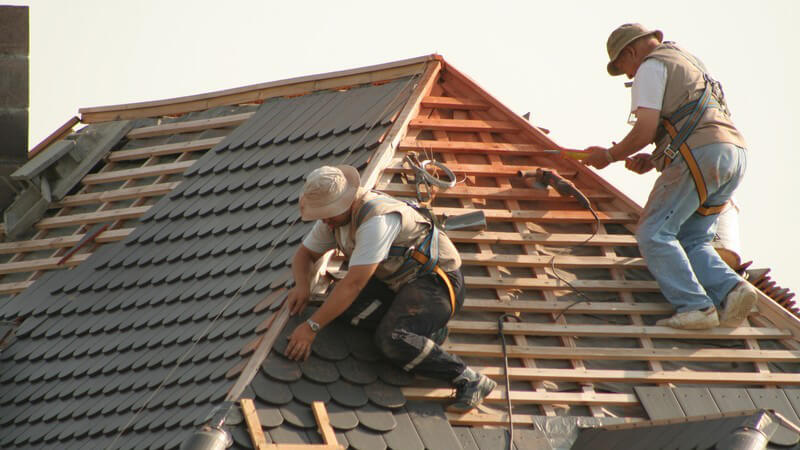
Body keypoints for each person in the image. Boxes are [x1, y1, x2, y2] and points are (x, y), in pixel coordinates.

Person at [581, 23, 758, 330]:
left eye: (623, 66)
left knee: (653, 232)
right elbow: (686, 119)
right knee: (693, 238)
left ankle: (695, 307)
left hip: (701, 155)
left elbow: (645, 128)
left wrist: (609, 156)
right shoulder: (686, 61)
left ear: (630, 52)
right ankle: (732, 288)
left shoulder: (650, 66)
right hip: (732, 154)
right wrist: (654, 159)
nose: (627, 75)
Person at [284, 165, 495, 411]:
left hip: (436, 283)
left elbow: (354, 283)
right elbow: (304, 255)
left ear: (345, 202)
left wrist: (311, 327)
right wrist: (302, 286)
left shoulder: (377, 220)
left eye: (328, 214)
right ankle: (424, 332)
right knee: (338, 306)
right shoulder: (335, 220)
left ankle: (468, 378)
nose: (325, 220)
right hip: (396, 282)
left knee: (391, 339)